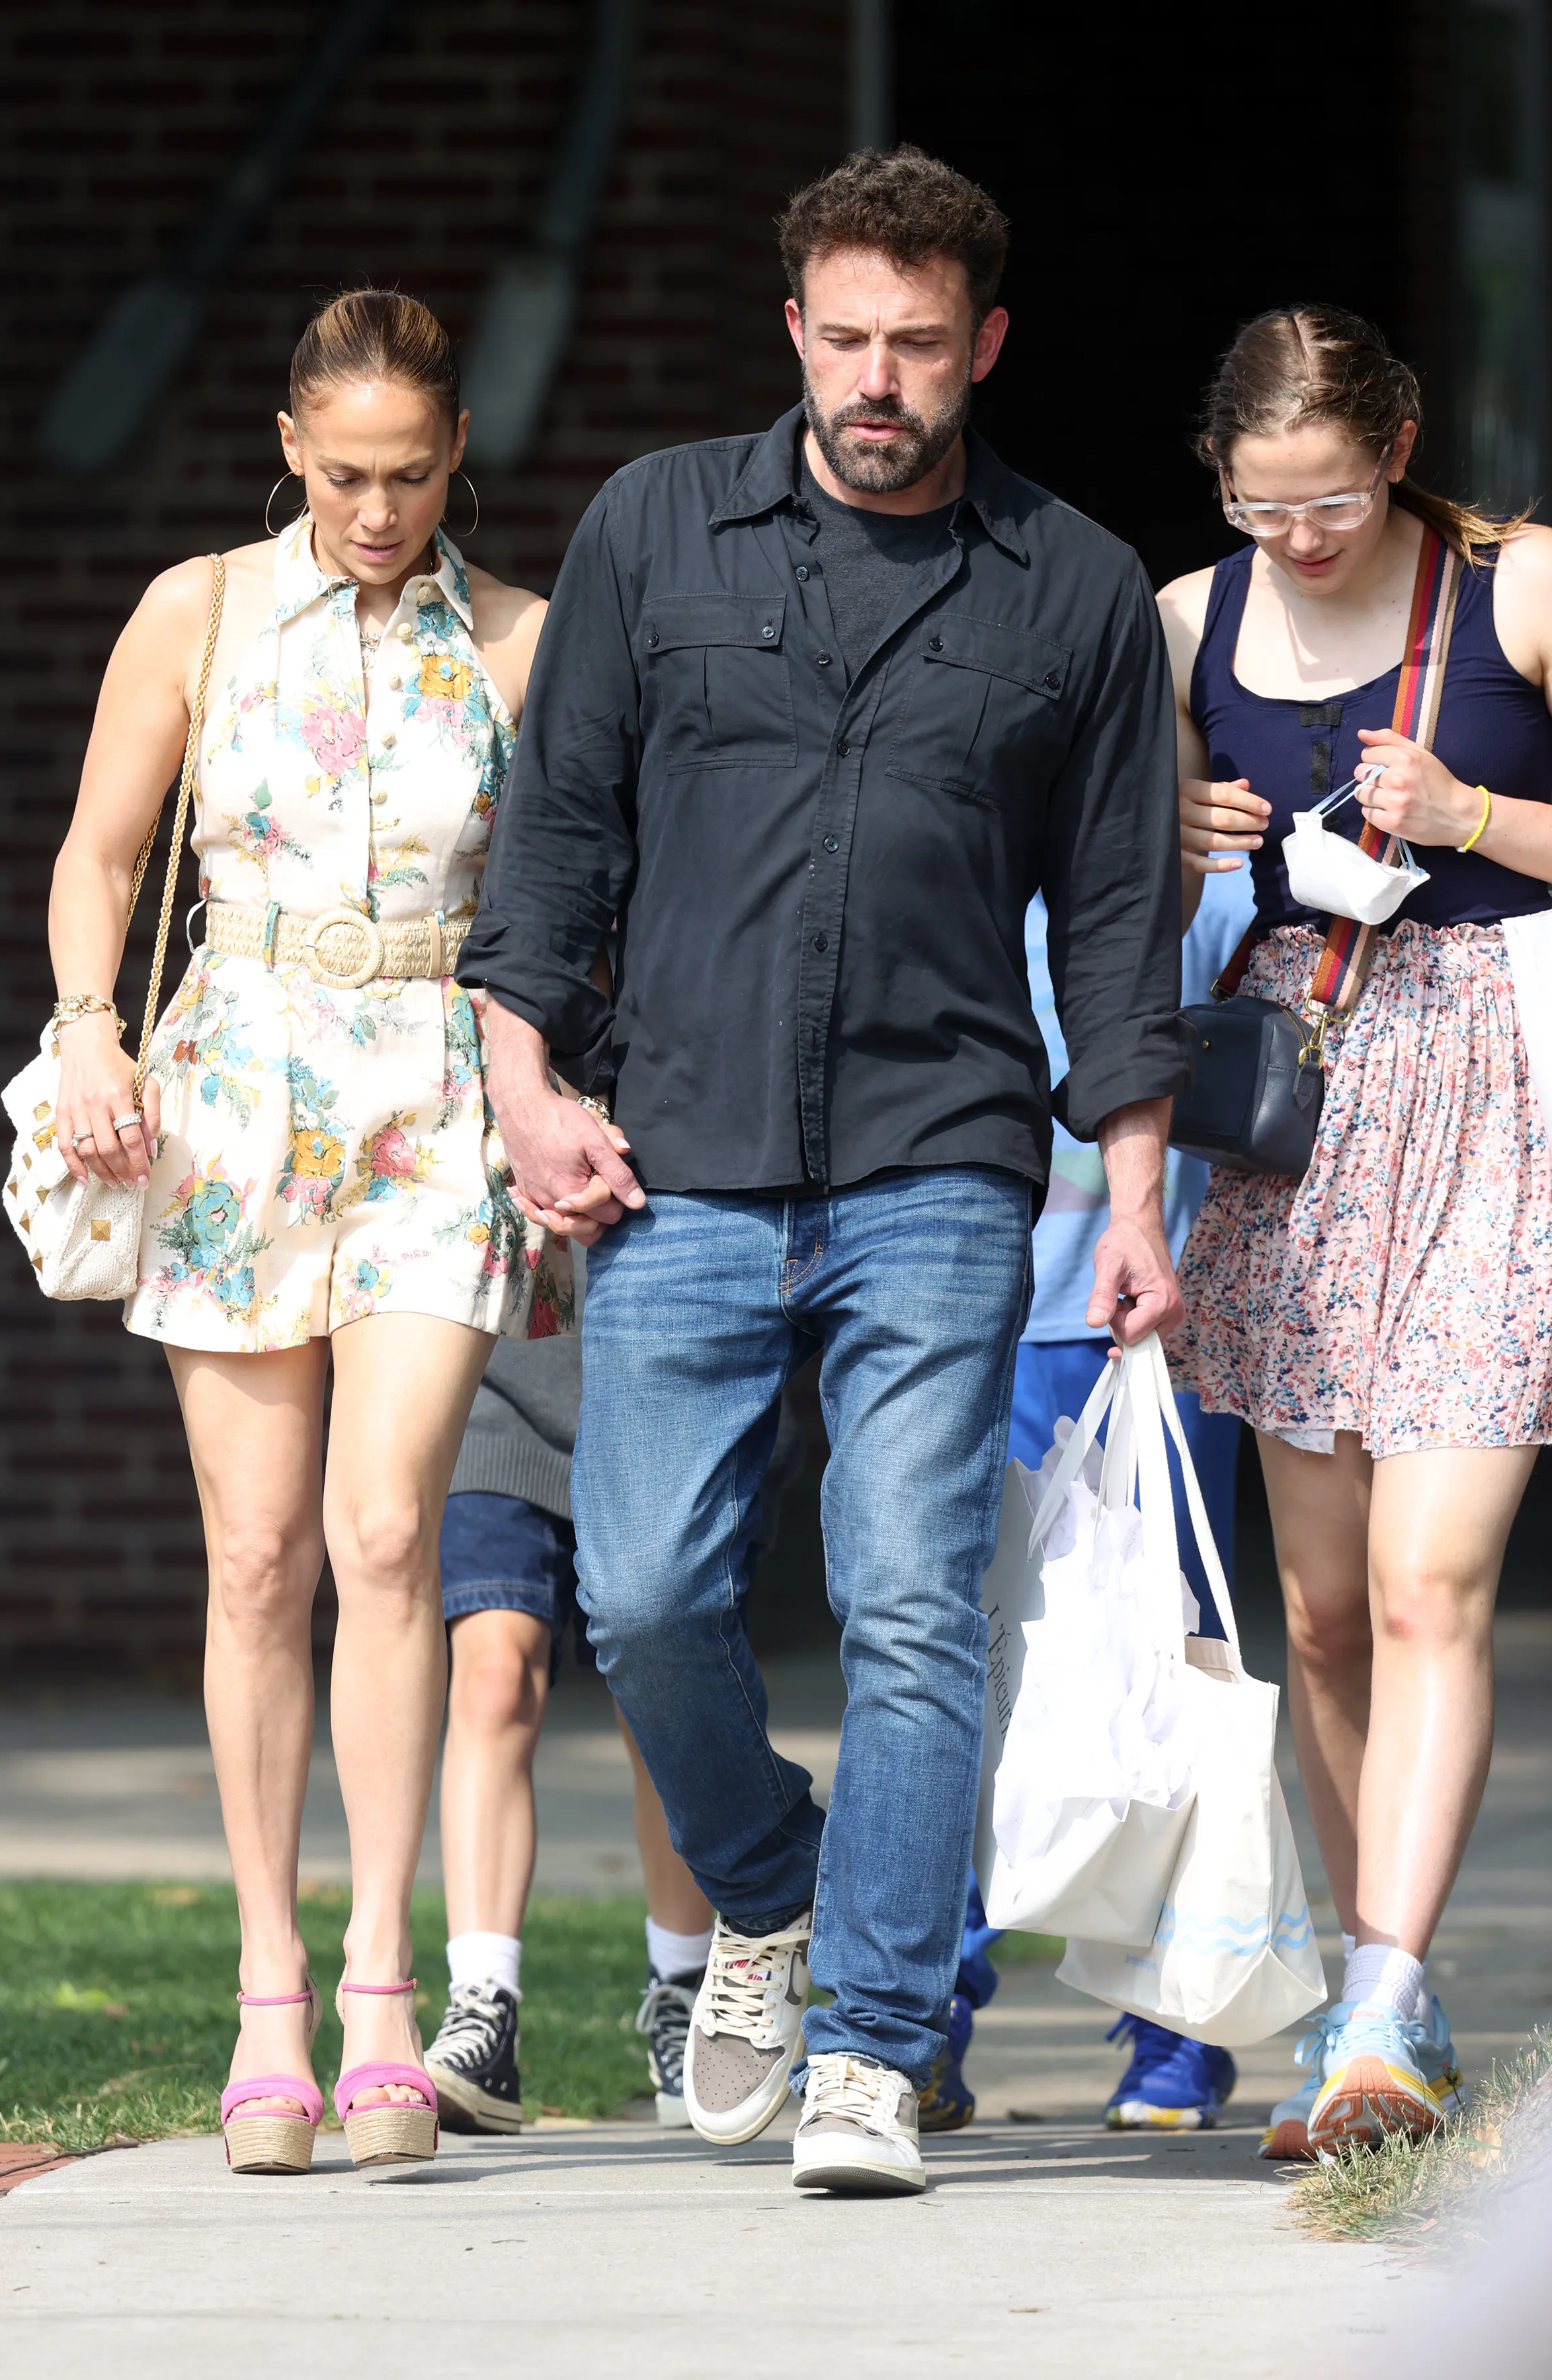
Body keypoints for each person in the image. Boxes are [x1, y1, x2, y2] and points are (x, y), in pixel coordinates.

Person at [458, 145, 1191, 2198]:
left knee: (906, 1603)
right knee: (645, 1592)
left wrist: (1131, 1199)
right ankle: (771, 1883)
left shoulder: (1074, 589)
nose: (882, 381)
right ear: (795, 329)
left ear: (988, 347)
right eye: (848, 339)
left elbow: (1123, 927)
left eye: (921, 348)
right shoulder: (651, 533)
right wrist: (526, 1085)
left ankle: (874, 2043)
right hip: (674, 1152)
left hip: (942, 1162)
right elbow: (557, 841)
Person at [47, 289, 570, 2175]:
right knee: (259, 1556)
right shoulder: (198, 610)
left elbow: (569, 895)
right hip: (237, 1095)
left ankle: (379, 1996)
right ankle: (267, 1989)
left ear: (456, 459)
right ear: (289, 449)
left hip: (433, 1097)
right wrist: (91, 1027)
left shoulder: (516, 636)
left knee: (385, 1531)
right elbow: (103, 854)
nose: (377, 509)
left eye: (413, 475)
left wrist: (553, 1097)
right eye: (345, 474)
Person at [1162, 305, 1552, 2157]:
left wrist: (1474, 809)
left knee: (1426, 1582)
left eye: (1325, 501)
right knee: (1321, 1614)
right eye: (1259, 511)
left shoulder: (1518, 586)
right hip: (1291, 1115)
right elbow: (1083, 879)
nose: (1296, 541)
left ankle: (1382, 2017)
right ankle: (1368, 1977)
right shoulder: (1184, 624)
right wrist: (1169, 836)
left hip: (1501, 1105)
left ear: (1394, 448)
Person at [922, 867, 1256, 2137]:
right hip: (968, 1320)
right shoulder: (975, 849)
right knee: (954, 1659)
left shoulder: (1228, 886)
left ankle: (1178, 2019)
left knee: (1164, 1671)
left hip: (1158, 1341)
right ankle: (926, 2004)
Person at [421, 1256, 802, 2133]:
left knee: (662, 1689)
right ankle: (484, 2006)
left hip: (678, 1364)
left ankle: (684, 1990)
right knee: (494, 1672)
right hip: (496, 1354)